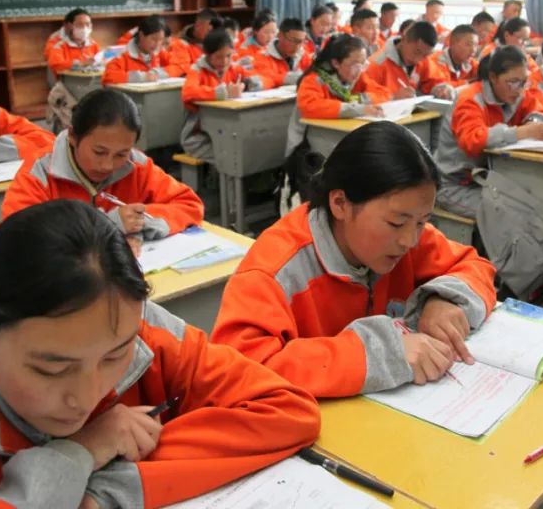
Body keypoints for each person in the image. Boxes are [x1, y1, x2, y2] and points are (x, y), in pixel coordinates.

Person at [0, 199, 320, 507]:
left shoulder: (135, 329)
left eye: (113, 358)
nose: (86, 398)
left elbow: (286, 410)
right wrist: (75, 454)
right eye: (51, 368)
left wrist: (102, 491)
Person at [212, 121, 497, 398]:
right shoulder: (275, 271)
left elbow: (474, 267)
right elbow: (239, 371)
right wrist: (378, 356)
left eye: (422, 222)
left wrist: (445, 299)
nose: (410, 240)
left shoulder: (409, 238)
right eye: (396, 223)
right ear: (340, 204)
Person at [3, 89, 203, 256]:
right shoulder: (39, 173)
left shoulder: (136, 164)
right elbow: (17, 240)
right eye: (99, 152)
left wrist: (139, 224)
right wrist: (106, 227)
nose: (107, 165)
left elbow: (189, 204)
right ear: (73, 136)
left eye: (121, 154)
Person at [434, 46, 543, 216]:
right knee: (510, 215)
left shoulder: (515, 93)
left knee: (538, 205)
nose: (519, 89)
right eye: (512, 82)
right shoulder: (470, 100)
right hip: (456, 185)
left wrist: (534, 122)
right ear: (493, 77)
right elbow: (472, 140)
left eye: (524, 82)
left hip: (489, 179)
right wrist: (522, 132)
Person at [286, 34, 390, 159]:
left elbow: (383, 94)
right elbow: (310, 106)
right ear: (336, 63)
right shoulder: (314, 80)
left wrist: (358, 99)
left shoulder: (356, 76)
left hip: (340, 138)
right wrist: (357, 109)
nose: (359, 70)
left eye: (363, 64)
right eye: (354, 64)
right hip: (308, 148)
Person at [181, 30, 262, 161]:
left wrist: (246, 85)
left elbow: (260, 79)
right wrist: (223, 93)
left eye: (229, 56)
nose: (224, 61)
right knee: (234, 157)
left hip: (227, 133)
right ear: (207, 55)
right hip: (199, 138)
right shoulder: (197, 70)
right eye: (218, 57)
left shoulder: (233, 68)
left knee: (250, 150)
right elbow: (188, 92)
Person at [365, 20, 438, 99]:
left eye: (425, 55)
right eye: (416, 52)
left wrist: (439, 88)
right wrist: (392, 97)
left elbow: (433, 79)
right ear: (403, 39)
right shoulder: (377, 64)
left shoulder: (424, 58)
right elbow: (363, 98)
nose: (418, 60)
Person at [102, 15, 175, 85]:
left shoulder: (159, 52)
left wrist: (157, 72)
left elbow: (178, 66)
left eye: (160, 40)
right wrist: (142, 77)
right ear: (141, 35)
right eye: (153, 39)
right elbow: (108, 77)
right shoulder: (123, 54)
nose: (157, 44)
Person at [418, 24, 479, 99]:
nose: (473, 50)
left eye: (476, 45)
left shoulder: (471, 63)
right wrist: (469, 83)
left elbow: (483, 73)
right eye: (468, 44)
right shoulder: (433, 62)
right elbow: (442, 89)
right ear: (452, 43)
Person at [253, 18, 313, 88]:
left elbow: (317, 73)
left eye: (301, 42)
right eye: (293, 41)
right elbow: (266, 78)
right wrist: (290, 78)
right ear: (280, 35)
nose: (297, 46)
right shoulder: (263, 56)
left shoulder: (302, 54)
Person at [47, 9, 100, 78]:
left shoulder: (93, 44)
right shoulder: (59, 46)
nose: (85, 28)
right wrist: (80, 63)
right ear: (70, 26)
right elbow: (55, 65)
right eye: (80, 24)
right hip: (68, 81)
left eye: (88, 24)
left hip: (91, 79)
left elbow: (99, 60)